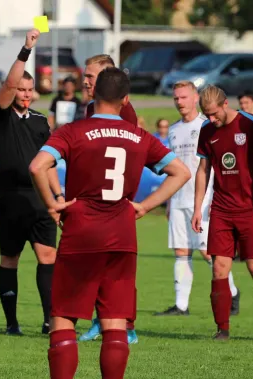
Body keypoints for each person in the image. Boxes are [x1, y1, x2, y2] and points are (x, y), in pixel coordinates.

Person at [30, 67, 190, 379]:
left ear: (91, 93)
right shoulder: (140, 136)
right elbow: (181, 172)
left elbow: (37, 166)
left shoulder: (73, 131)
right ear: (126, 99)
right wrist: (143, 206)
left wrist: (53, 204)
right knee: (115, 321)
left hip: (80, 232)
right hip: (121, 235)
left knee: (63, 316)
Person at [0, 29, 63, 335]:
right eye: (21, 88)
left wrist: (58, 198)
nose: (26, 93)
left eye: (30, 89)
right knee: (10, 259)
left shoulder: (41, 121)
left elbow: (50, 165)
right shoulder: (0, 113)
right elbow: (7, 84)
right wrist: (26, 49)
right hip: (9, 199)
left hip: (40, 199)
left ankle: (49, 320)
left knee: (48, 256)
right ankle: (11, 323)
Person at [157, 80, 240, 317]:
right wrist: (169, 202)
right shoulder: (173, 130)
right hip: (179, 198)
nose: (179, 102)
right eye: (176, 98)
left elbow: (210, 167)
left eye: (183, 97)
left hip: (204, 199)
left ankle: (232, 292)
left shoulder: (207, 125)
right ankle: (181, 305)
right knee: (181, 252)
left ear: (196, 98)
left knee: (208, 252)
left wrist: (214, 198)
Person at [78, 54, 140, 344]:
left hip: (116, 202)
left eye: (90, 76)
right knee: (95, 266)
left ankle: (127, 325)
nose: (85, 81)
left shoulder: (123, 110)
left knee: (119, 268)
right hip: (93, 201)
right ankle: (99, 321)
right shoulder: (91, 107)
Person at [193, 85, 253, 340]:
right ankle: (223, 329)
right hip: (221, 208)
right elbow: (203, 170)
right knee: (219, 267)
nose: (211, 119)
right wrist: (198, 207)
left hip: (251, 209)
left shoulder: (250, 125)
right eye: (206, 114)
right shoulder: (207, 130)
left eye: (214, 114)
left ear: (225, 105)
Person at [84, 55, 138, 126]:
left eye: (90, 76)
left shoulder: (122, 107)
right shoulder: (91, 105)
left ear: (104, 76)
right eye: (85, 76)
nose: (84, 81)